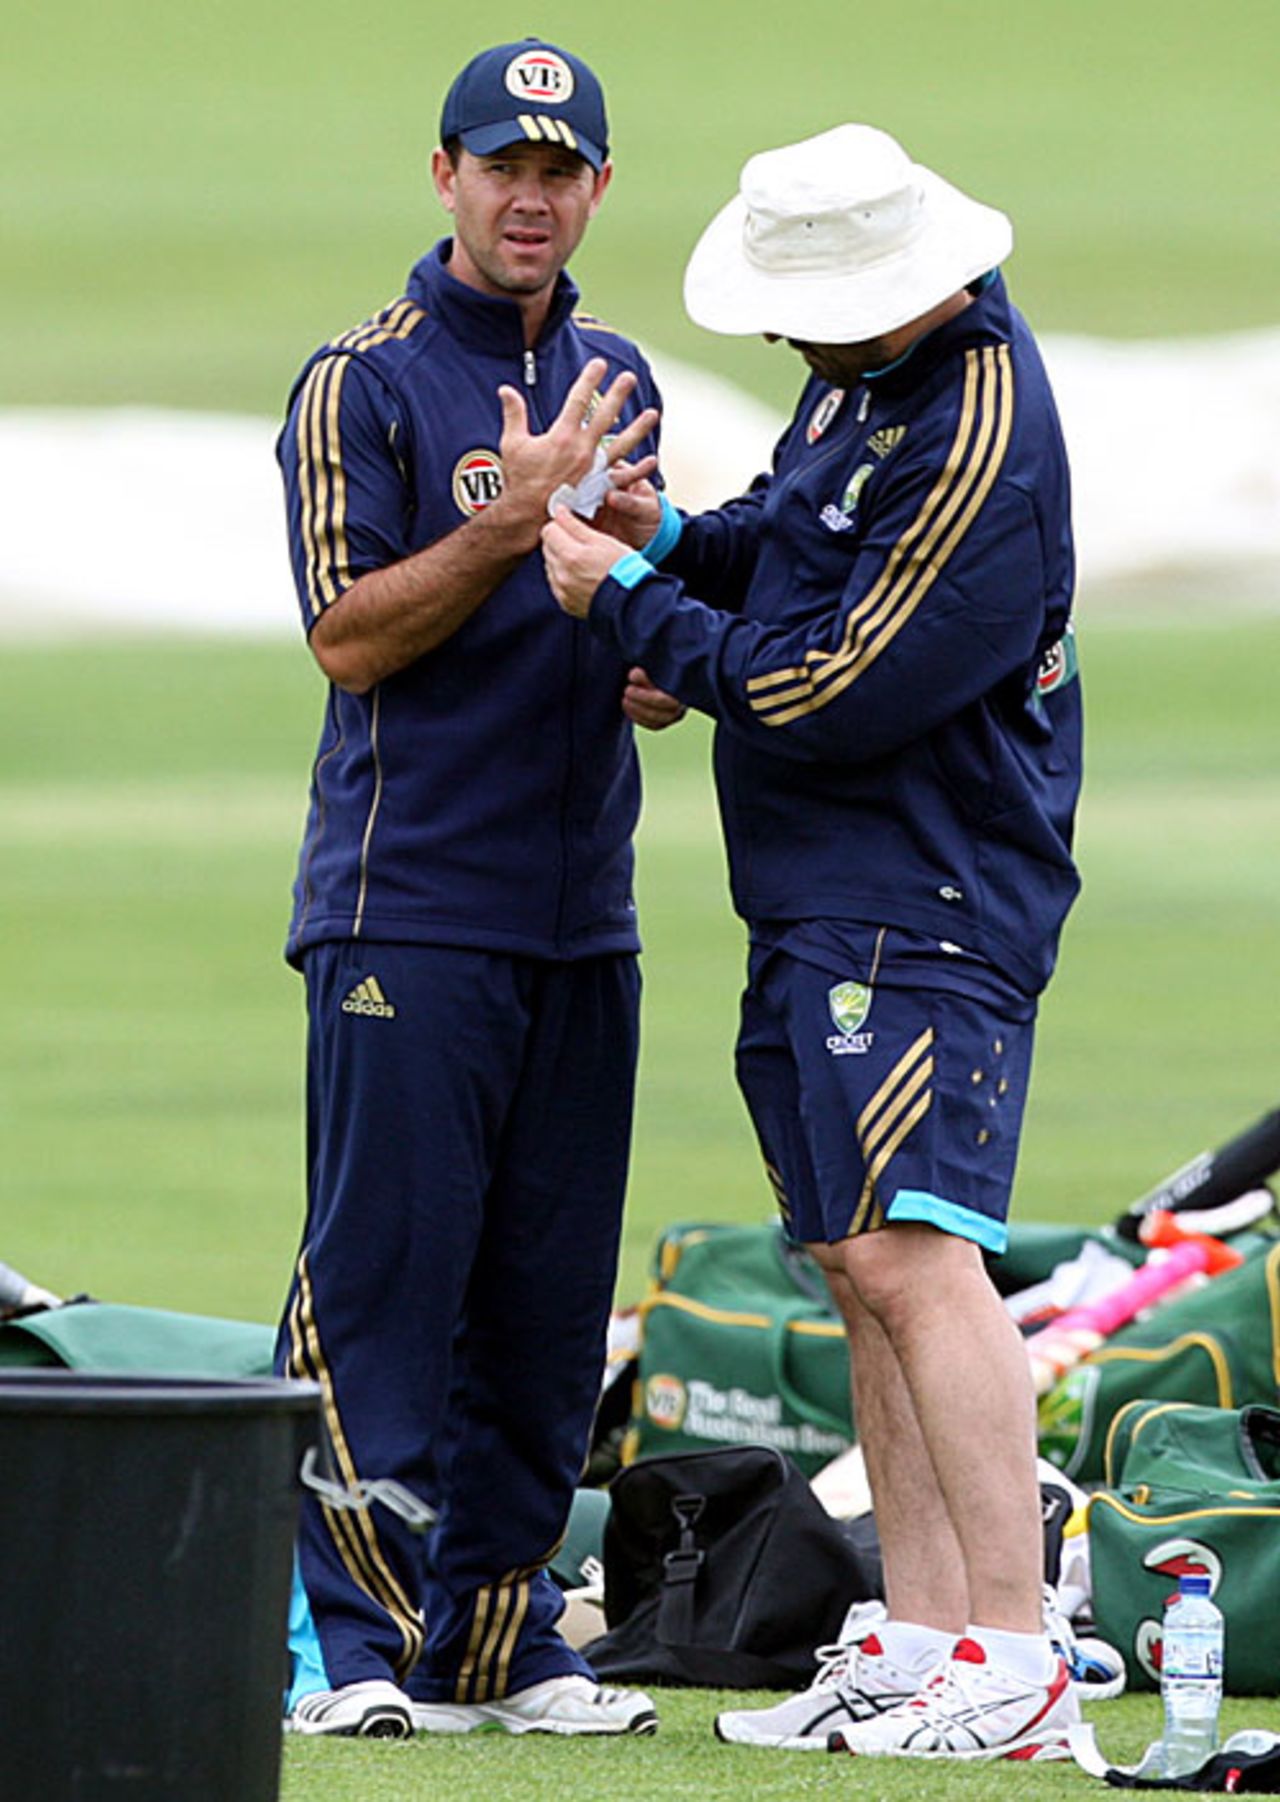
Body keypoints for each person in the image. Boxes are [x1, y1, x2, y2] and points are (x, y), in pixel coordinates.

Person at [542, 123, 1083, 1762]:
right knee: (858, 1261)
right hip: (825, 887)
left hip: (927, 888)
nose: (783, 333)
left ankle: (1019, 1646)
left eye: (804, 305)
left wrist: (632, 606)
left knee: (921, 1254)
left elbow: (833, 681)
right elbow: (789, 543)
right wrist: (669, 540)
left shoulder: (979, 426)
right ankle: (925, 1632)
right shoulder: (868, 376)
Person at [274, 37, 680, 1740]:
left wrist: (657, 632)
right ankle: (344, 1647)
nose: (532, 195)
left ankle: (501, 1643)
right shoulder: (357, 384)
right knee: (384, 1270)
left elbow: (638, 618)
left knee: (542, 1280)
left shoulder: (617, 367)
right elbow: (346, 635)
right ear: (442, 176)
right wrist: (510, 523)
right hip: (409, 902)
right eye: (500, 165)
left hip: (582, 907)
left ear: (596, 187)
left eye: (561, 168)